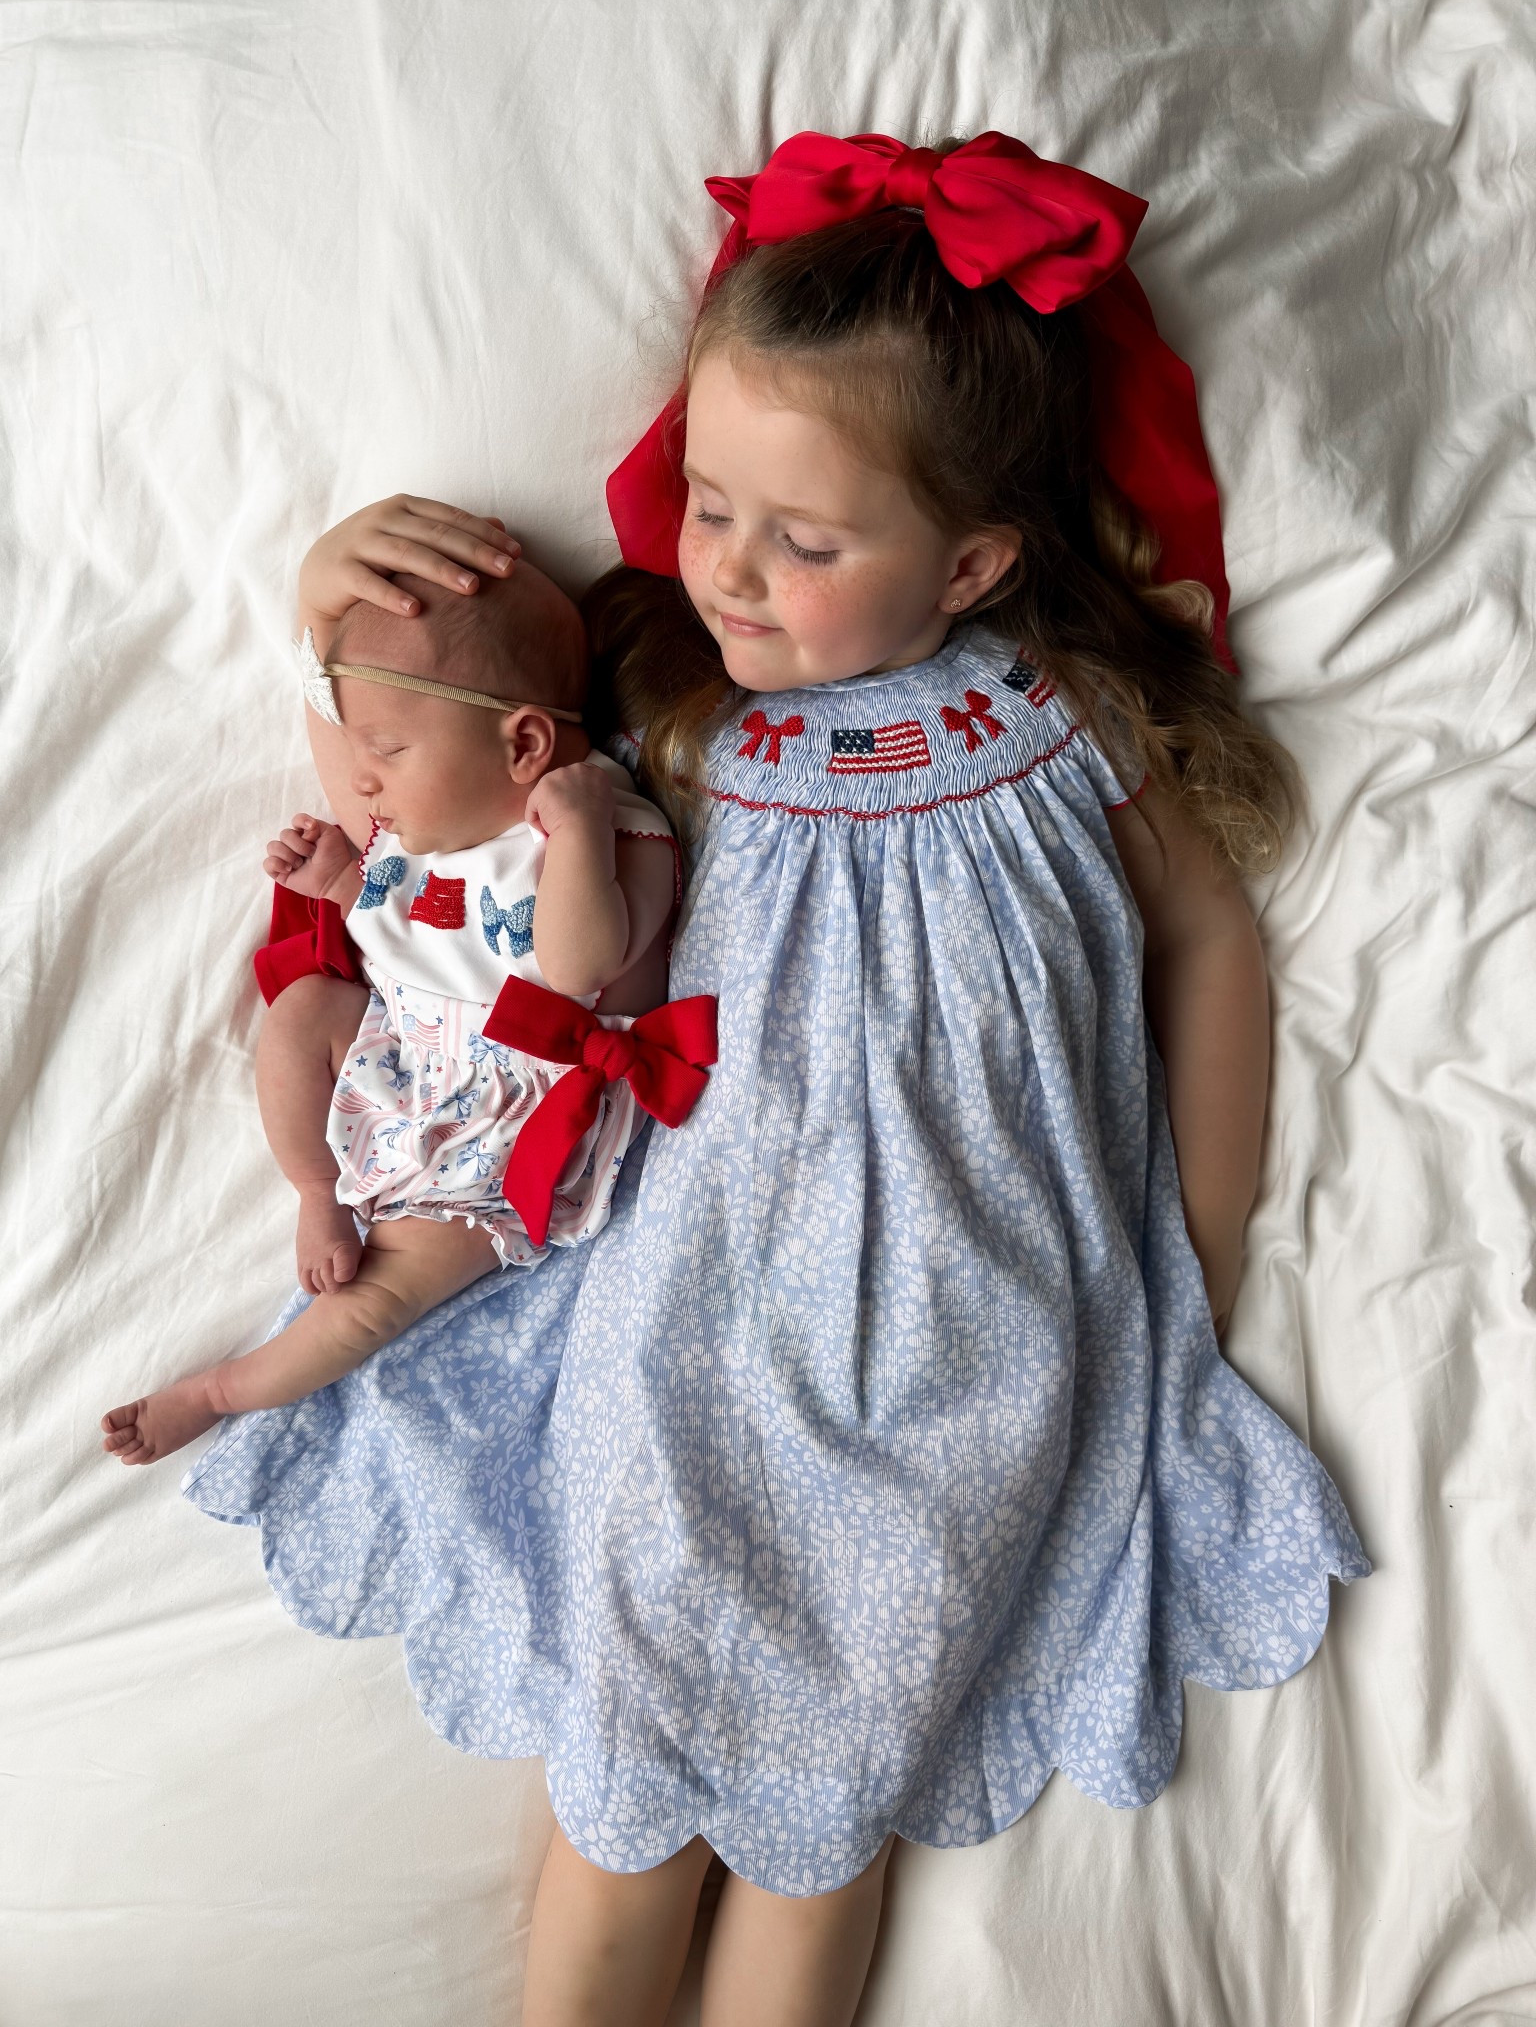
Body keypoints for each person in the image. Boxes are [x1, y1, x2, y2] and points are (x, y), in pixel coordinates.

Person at [185, 132, 1370, 2027]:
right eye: (712, 505)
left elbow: (1211, 945)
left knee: (834, 1814)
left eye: (802, 543)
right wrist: (337, 594)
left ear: (970, 559)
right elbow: (427, 752)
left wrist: (1191, 1261)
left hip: (979, 1348)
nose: (729, 568)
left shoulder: (1066, 728)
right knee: (626, 1794)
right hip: (694, 1321)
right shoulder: (664, 704)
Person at [102, 566, 695, 1465]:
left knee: (379, 1298)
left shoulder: (609, 830)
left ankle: (222, 1388)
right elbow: (405, 940)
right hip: (401, 1047)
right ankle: (317, 1189)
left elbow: (577, 962)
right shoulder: (429, 830)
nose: (363, 783)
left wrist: (574, 836)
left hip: (508, 1120)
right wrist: (342, 881)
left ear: (525, 743)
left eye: (386, 750)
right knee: (304, 1007)